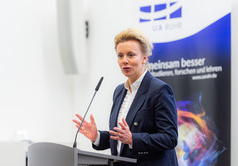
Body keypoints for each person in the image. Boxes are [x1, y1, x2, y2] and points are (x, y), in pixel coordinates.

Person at [73, 28, 178, 166]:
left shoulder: (159, 90)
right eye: (120, 56)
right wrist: (97, 136)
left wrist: (132, 139)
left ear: (144, 58)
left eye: (131, 55)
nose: (124, 61)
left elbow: (169, 138)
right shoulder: (119, 91)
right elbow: (119, 139)